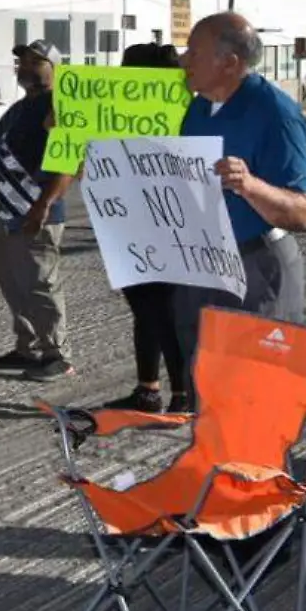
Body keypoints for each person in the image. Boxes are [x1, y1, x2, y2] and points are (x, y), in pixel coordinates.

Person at [175, 12, 306, 352]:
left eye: (194, 52)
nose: (183, 60)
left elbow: (302, 213)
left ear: (229, 63)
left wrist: (248, 185)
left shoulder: (275, 112)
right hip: (203, 265)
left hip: (256, 267)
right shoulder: (198, 109)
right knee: (204, 380)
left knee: (253, 386)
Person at [0, 41, 76, 383]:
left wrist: (44, 205)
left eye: (35, 61)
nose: (24, 66)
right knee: (13, 282)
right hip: (4, 210)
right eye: (21, 60)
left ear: (54, 69)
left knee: (41, 283)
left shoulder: (59, 107)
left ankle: (58, 354)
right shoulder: (21, 108)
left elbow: (67, 162)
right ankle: (28, 345)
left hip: (37, 211)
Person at [106, 42, 190, 414]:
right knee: (147, 309)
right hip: (130, 220)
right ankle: (149, 388)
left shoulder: (185, 112)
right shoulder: (122, 113)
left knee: (162, 310)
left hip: (167, 223)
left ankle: (183, 394)